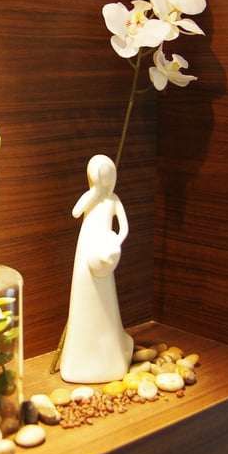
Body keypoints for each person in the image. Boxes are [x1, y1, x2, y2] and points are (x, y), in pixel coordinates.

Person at [60, 154, 134, 383]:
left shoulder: (114, 200)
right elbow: (76, 212)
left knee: (105, 297)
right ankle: (78, 361)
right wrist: (94, 192)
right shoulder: (91, 197)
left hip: (103, 253)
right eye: (101, 174)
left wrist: (114, 243)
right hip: (86, 251)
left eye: (108, 174)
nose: (106, 178)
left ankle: (109, 356)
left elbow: (124, 228)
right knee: (84, 296)